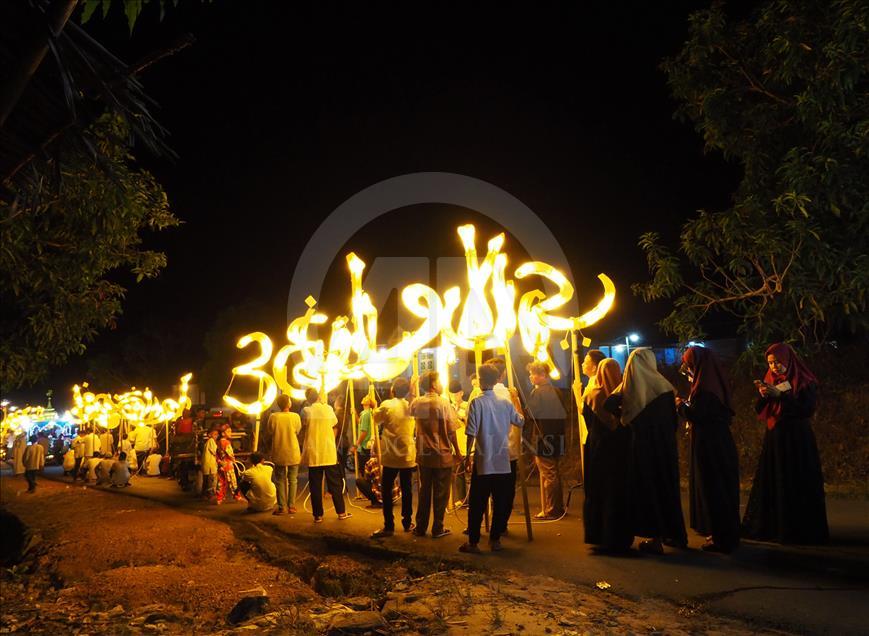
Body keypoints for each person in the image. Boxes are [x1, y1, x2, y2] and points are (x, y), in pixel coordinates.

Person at [742, 343, 828, 544]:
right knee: (777, 479)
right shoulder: (769, 380)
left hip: (797, 439)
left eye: (778, 362)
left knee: (795, 480)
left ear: (788, 360)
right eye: (771, 363)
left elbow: (806, 409)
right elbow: (759, 409)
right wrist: (764, 395)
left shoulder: (803, 381)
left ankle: (798, 529)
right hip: (776, 437)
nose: (774, 367)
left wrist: (781, 396)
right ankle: (775, 526)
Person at [605, 348, 687, 555]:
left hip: (642, 450)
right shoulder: (665, 387)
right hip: (665, 448)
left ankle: (655, 538)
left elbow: (609, 404)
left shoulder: (630, 387)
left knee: (648, 491)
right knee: (666, 489)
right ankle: (675, 535)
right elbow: (672, 420)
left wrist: (622, 409)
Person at [677, 346, 741, 553]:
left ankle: (719, 536)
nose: (687, 371)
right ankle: (723, 533)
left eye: (689, 366)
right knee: (719, 486)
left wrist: (679, 405)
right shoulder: (712, 384)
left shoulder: (705, 389)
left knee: (712, 487)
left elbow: (697, 415)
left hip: (710, 445)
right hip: (718, 442)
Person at [459, 363, 524, 554]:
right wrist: (516, 398)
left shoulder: (477, 402)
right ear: (497, 380)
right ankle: (495, 540)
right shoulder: (505, 403)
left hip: (483, 460)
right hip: (503, 460)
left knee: (478, 503)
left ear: (480, 380)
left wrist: (467, 456)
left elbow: (470, 432)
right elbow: (520, 420)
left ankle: (473, 543)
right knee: (500, 501)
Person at [583, 358, 633, 552]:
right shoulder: (626, 395)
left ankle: (599, 535)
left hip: (598, 448)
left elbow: (587, 420)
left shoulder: (591, 394)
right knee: (618, 491)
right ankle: (619, 536)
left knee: (599, 490)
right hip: (621, 449)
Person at [410, 371, 462, 538]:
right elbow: (451, 431)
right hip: (442, 455)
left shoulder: (417, 403)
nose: (441, 384)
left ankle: (420, 527)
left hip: (424, 455)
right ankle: (438, 528)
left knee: (425, 491)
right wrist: (459, 453)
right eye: (439, 381)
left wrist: (412, 389)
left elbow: (411, 409)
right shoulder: (443, 403)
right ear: (433, 385)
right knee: (441, 493)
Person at [371, 378, 415, 537]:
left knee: (387, 489)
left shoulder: (387, 405)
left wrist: (373, 407)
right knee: (407, 488)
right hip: (407, 454)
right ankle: (407, 522)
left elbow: (375, 420)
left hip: (390, 454)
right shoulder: (411, 405)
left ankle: (389, 525)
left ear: (392, 390)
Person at [301, 390, 351, 522]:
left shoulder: (306, 410)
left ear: (307, 399)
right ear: (318, 396)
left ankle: (318, 515)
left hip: (314, 452)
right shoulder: (328, 409)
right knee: (335, 483)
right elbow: (334, 423)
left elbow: (304, 425)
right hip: (328, 451)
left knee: (315, 485)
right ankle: (341, 512)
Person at [526, 361, 566, 520]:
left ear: (543, 375)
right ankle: (558, 506)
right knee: (555, 472)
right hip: (558, 436)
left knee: (549, 474)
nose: (530, 377)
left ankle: (552, 509)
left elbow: (529, 415)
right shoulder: (557, 391)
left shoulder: (537, 393)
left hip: (543, 438)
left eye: (533, 373)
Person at [265, 394, 302, 515]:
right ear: (289, 404)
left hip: (279, 450)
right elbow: (298, 430)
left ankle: (281, 507)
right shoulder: (295, 416)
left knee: (280, 480)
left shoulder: (273, 417)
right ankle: (291, 506)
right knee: (293, 479)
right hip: (293, 451)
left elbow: (270, 431)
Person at [353, 395, 376, 467]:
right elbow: (359, 422)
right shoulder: (365, 413)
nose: (364, 397)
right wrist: (355, 413)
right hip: (367, 446)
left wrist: (356, 445)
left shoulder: (366, 414)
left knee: (364, 469)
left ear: (369, 403)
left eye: (367, 398)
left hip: (364, 446)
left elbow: (364, 432)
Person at [201, 429, 219, 498]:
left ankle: (204, 494)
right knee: (211, 480)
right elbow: (215, 451)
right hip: (210, 465)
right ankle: (210, 494)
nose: (216, 436)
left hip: (207, 464)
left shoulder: (207, 442)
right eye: (214, 434)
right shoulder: (211, 441)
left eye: (217, 434)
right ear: (209, 435)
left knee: (206, 481)